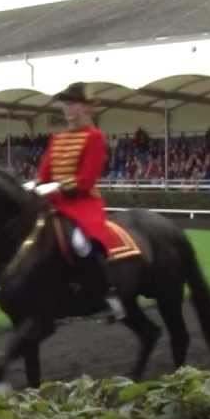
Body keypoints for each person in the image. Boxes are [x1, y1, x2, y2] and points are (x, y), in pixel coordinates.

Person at [34, 82, 126, 320]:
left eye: (72, 103)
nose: (66, 109)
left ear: (86, 108)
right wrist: (32, 186)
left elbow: (86, 180)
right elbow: (44, 174)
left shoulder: (95, 137)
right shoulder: (58, 138)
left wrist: (58, 186)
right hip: (54, 203)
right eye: (65, 104)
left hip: (82, 203)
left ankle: (108, 294)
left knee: (81, 242)